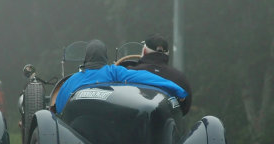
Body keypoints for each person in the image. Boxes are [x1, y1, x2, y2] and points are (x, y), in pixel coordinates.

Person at [55, 39, 188, 114]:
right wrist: (178, 91)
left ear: (86, 58)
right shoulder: (115, 72)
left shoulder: (70, 81)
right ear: (105, 57)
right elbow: (147, 77)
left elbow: (59, 111)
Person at [127, 34, 192, 115]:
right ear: (167, 54)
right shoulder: (180, 78)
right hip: (168, 124)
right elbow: (184, 109)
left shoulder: (128, 73)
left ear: (144, 51)